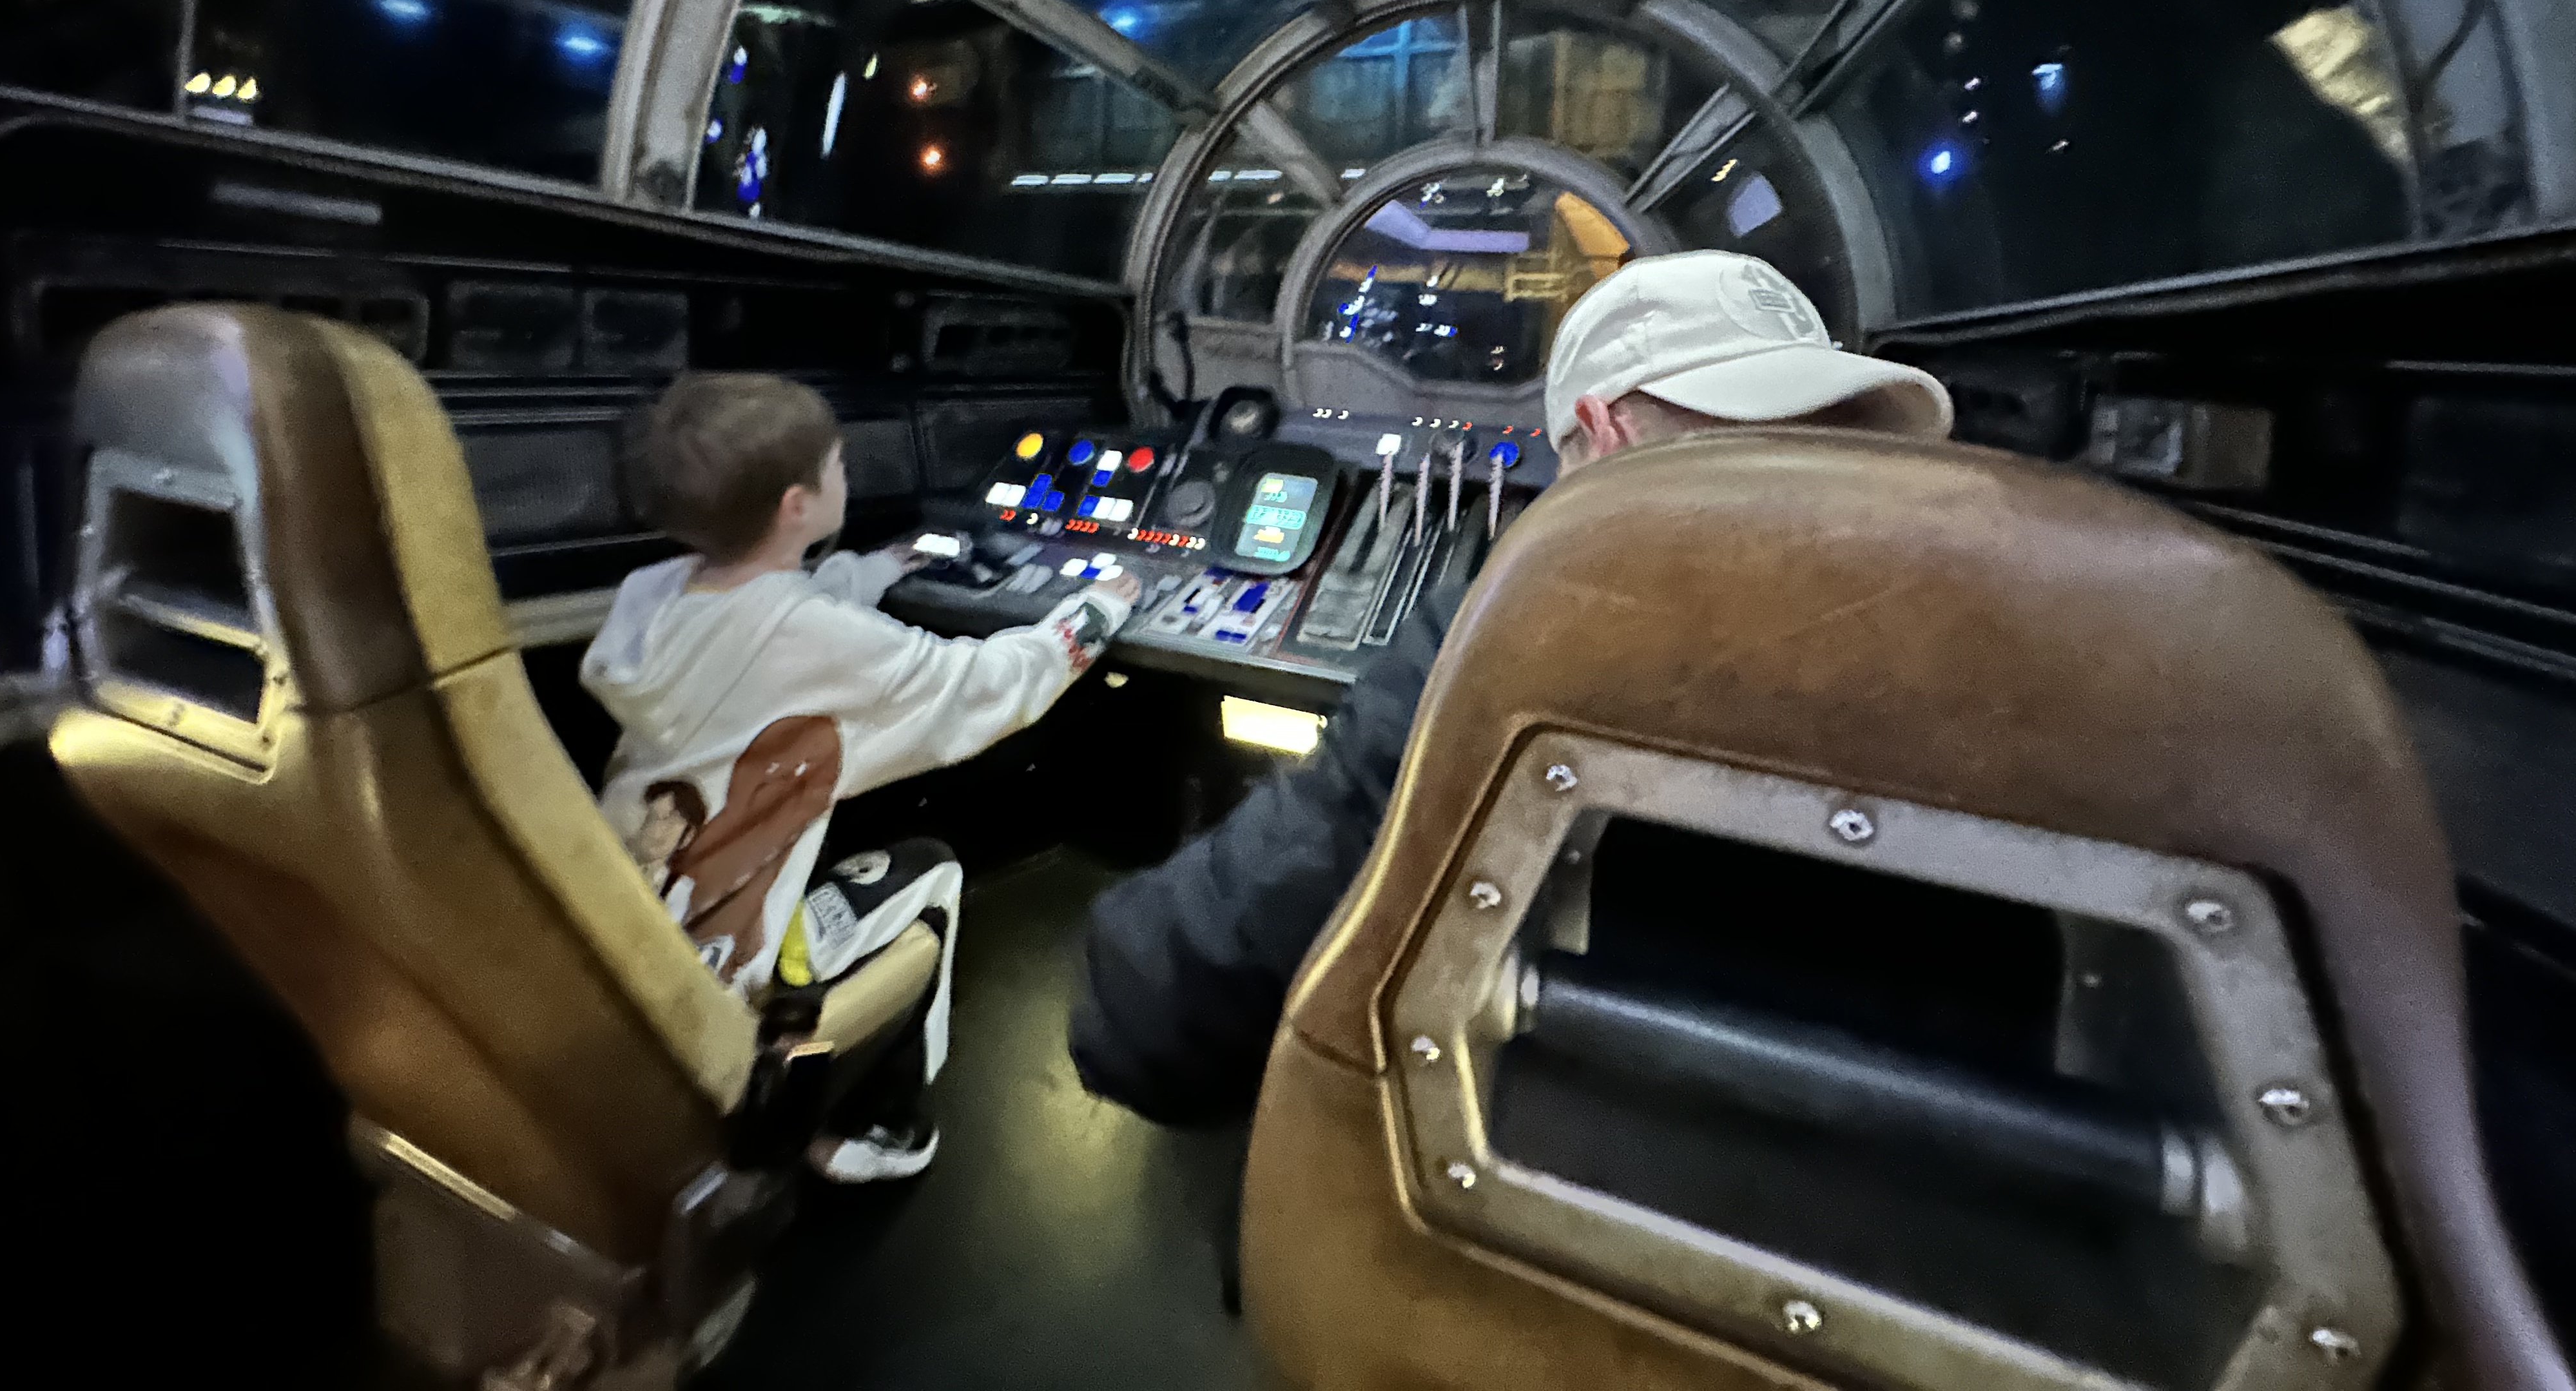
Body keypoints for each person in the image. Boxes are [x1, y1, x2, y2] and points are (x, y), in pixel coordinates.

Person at [1067, 251, 1955, 1126]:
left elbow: (1140, 1021)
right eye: (1764, 443)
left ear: (1601, 438)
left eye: (1832, 442)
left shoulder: (1497, 649)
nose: (1817, 487)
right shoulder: (1968, 690)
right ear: (1606, 435)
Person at [585, 371, 1141, 1180]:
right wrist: (1097, 610)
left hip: (620, 912)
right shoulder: (820, 641)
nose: (845, 475)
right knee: (934, 872)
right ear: (796, 505)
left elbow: (772, 604)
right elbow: (985, 688)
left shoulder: (653, 594)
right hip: (720, 958)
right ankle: (873, 1127)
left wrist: (878, 568)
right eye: (836, 466)